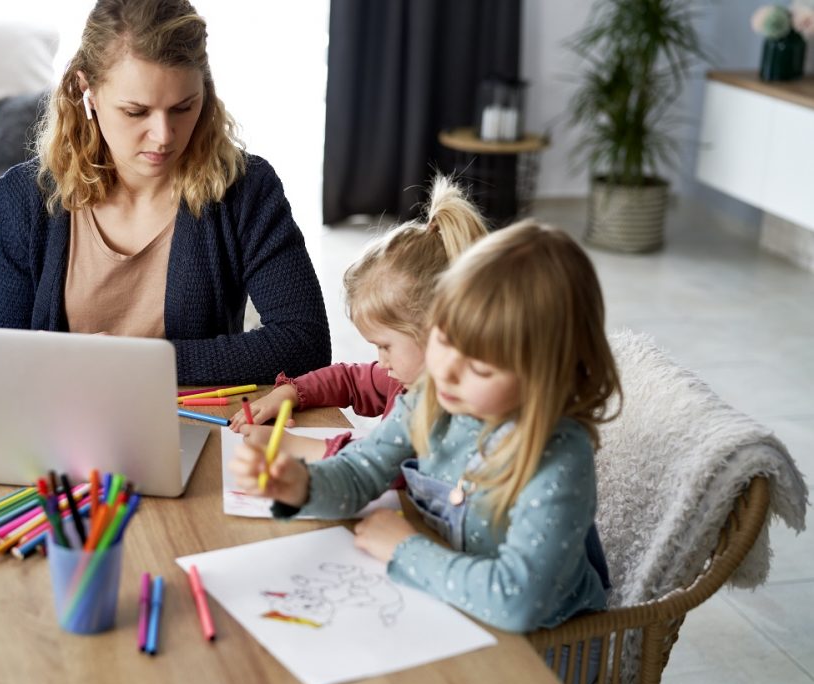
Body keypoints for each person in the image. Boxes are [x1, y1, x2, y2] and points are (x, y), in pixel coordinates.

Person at [228, 220, 620, 634]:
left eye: (478, 368)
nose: (445, 373)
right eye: (444, 343)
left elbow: (517, 601)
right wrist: (302, 485)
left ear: (546, 375)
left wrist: (404, 548)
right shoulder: (431, 398)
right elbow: (360, 471)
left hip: (553, 656)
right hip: (456, 613)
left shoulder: (557, 458)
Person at [0, 0, 331, 385]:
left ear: (205, 93)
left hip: (193, 423)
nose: (163, 137)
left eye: (183, 107)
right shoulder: (25, 197)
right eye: (135, 112)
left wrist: (139, 363)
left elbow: (305, 342)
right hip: (54, 429)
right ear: (86, 91)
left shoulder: (244, 188)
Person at [228, 175, 487, 463]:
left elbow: (382, 465)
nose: (382, 361)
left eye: (386, 346)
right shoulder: (404, 378)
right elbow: (349, 379)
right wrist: (289, 393)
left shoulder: (455, 408)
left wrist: (293, 446)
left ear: (439, 331)